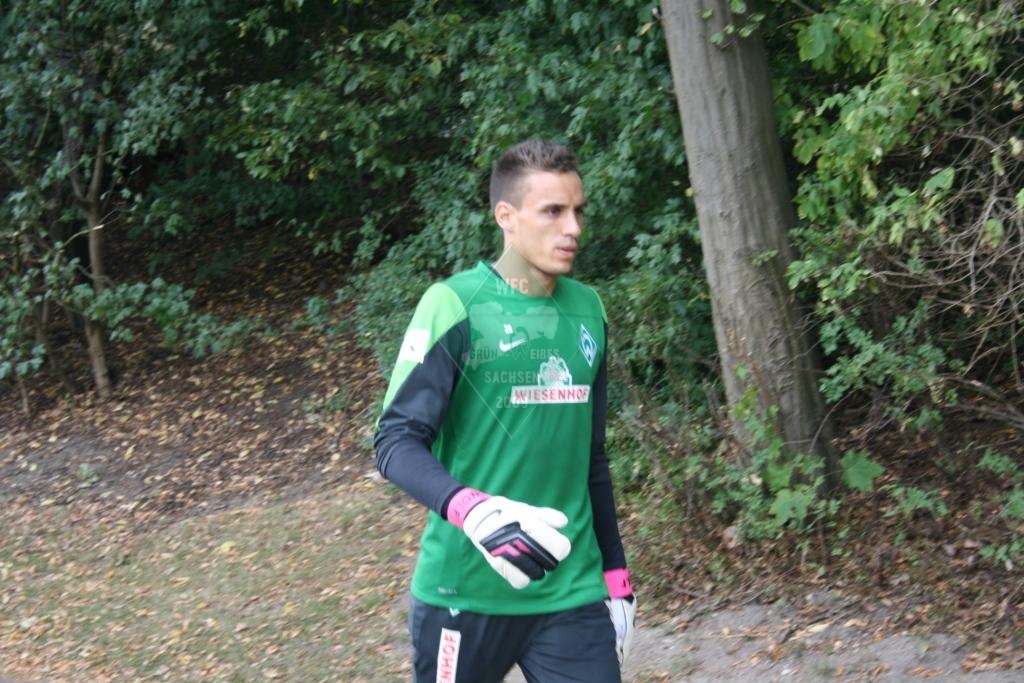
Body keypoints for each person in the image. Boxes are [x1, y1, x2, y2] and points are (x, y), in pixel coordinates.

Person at [374, 139, 635, 683]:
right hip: (463, 593)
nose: (573, 228)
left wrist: (616, 577)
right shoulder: (454, 304)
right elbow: (395, 442)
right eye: (553, 211)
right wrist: (474, 510)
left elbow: (591, 459)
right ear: (506, 217)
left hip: (570, 593)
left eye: (578, 211)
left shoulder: (588, 309)